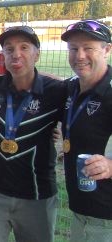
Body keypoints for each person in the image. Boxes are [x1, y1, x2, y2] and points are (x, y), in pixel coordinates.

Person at [0, 26, 66, 242]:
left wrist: (60, 127)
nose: (16, 54)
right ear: (2, 55)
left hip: (37, 198)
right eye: (9, 49)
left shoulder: (57, 91)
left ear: (37, 54)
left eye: (24, 47)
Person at [60, 20, 112, 242]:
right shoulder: (73, 87)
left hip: (106, 218)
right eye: (73, 49)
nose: (79, 55)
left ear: (107, 50)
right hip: (82, 212)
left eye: (88, 48)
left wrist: (110, 165)